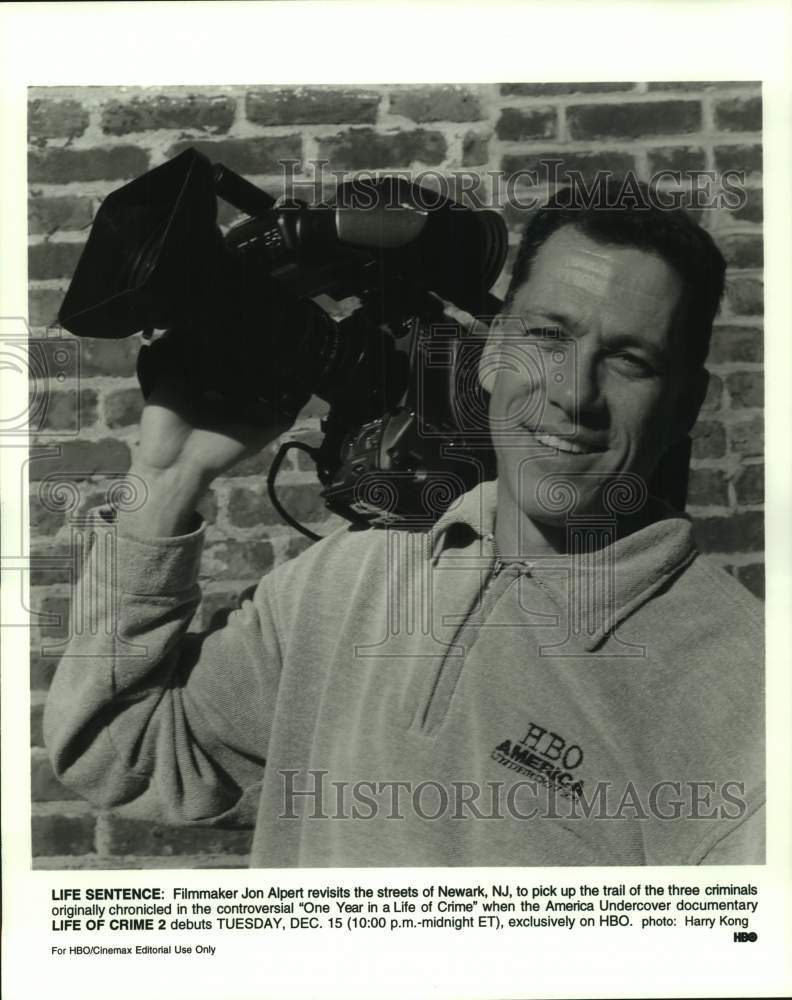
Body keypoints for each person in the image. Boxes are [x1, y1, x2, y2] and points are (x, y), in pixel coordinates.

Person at [44, 182, 764, 867]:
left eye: (630, 360)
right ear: (493, 357)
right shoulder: (346, 579)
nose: (575, 394)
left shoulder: (746, 689)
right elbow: (118, 751)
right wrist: (167, 482)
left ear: (685, 403)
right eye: (548, 336)